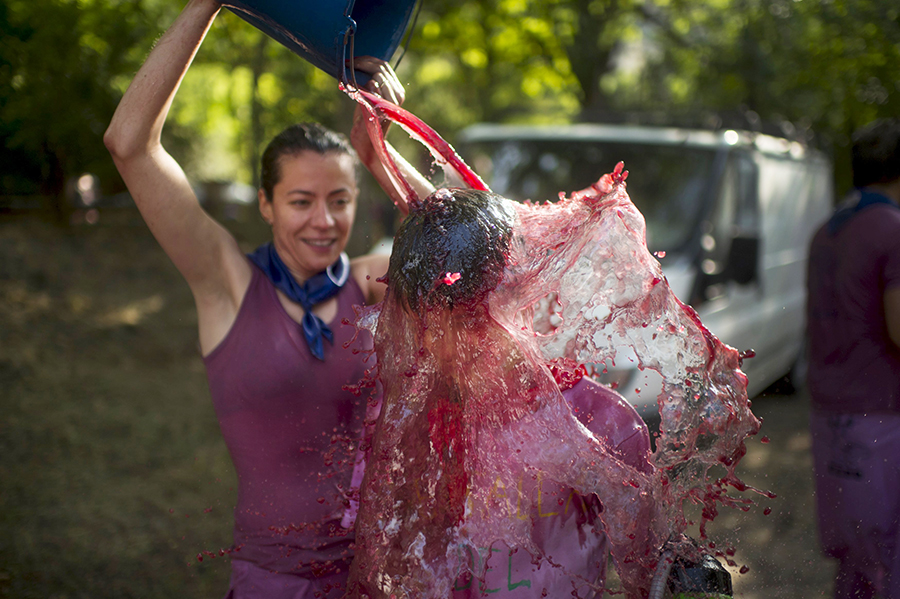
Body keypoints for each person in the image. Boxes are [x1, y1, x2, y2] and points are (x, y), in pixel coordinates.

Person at [102, 1, 415, 597]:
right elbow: (129, 145)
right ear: (266, 205)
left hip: (376, 581)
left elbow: (478, 263)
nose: (323, 221)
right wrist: (207, 4)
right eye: (301, 201)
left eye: (340, 201)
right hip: (272, 583)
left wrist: (382, 155)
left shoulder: (370, 282)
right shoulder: (229, 285)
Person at [806, 118, 900, 599]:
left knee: (854, 563)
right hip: (881, 416)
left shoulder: (827, 230)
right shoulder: (892, 229)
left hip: (829, 415)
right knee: (887, 561)